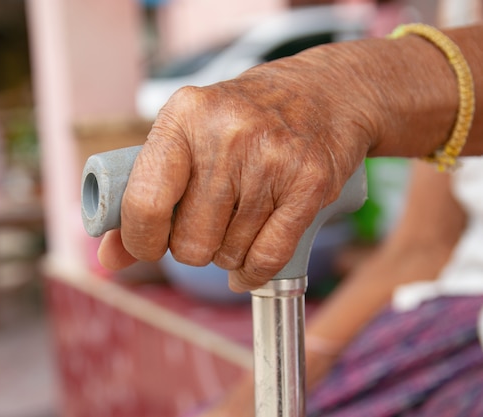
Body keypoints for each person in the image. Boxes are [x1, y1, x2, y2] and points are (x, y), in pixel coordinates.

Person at [94, 15, 483, 417]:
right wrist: (245, 401)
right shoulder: (457, 13)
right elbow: (422, 247)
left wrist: (351, 86)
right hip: (439, 327)